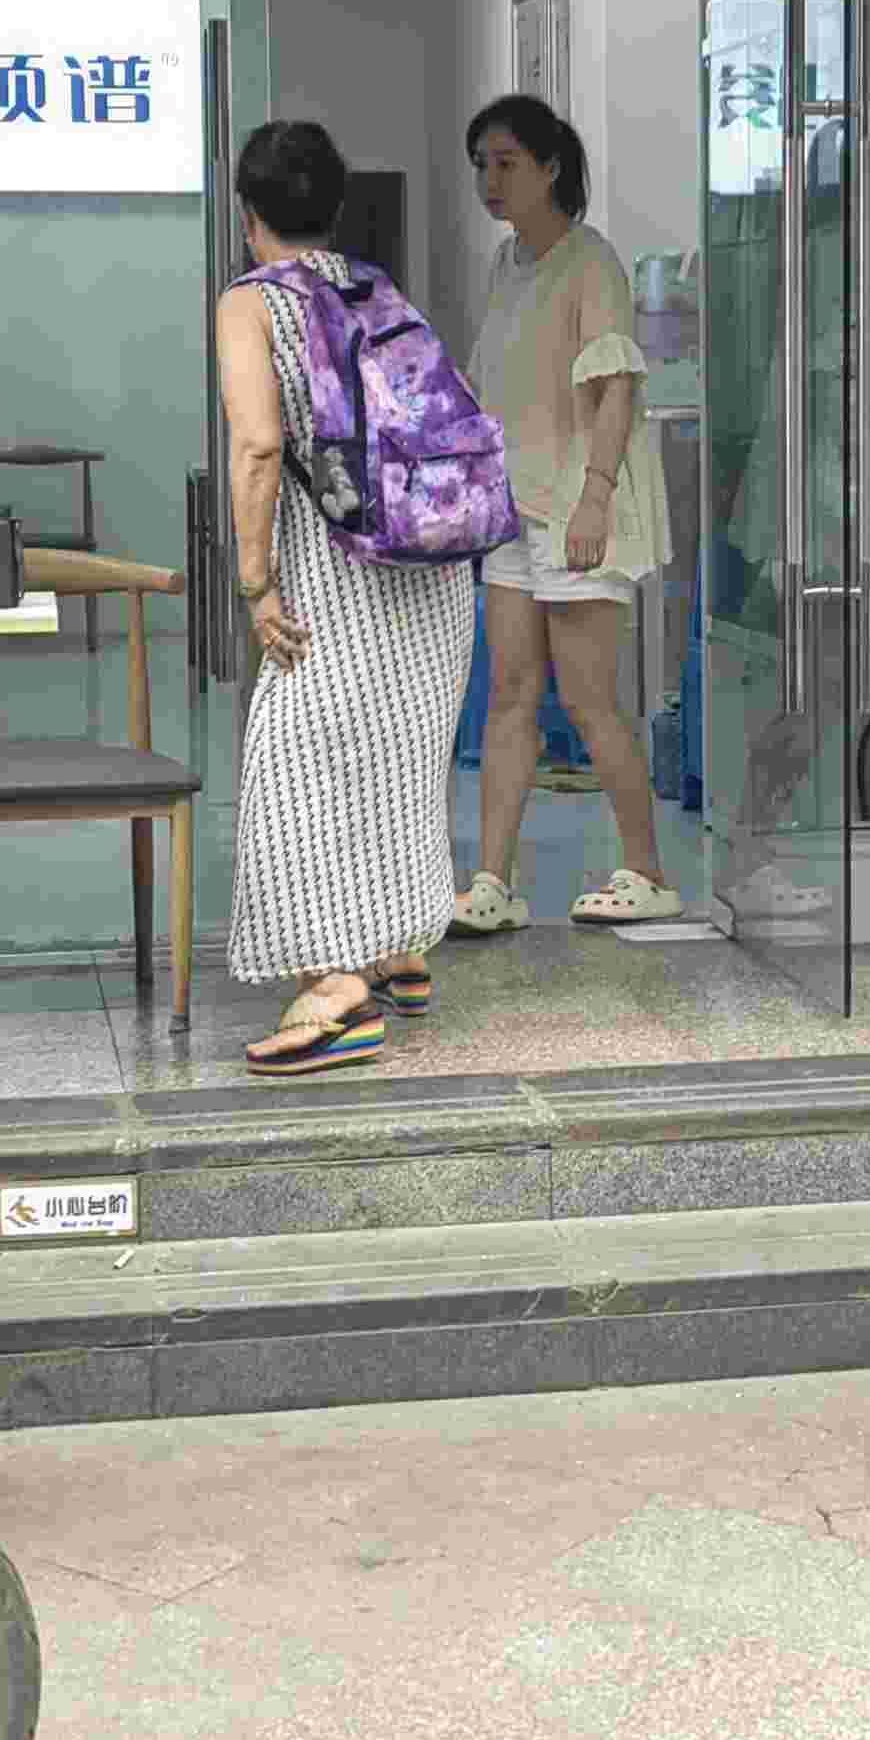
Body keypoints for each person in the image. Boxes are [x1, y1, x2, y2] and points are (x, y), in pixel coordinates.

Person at [217, 118, 473, 1078]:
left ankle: (336, 989)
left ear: (250, 216)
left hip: (335, 572)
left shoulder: (252, 301)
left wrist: (256, 584)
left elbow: (258, 445)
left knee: (294, 767)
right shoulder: (378, 289)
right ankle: (399, 950)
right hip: (432, 567)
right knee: (396, 758)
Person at [445, 93, 681, 932]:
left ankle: (647, 873)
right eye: (482, 164)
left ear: (550, 168)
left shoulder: (591, 262)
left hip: (582, 504)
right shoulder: (505, 266)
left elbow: (616, 389)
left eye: (506, 163)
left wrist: (595, 499)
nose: (490, 179)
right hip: (515, 506)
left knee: (588, 701)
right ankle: (491, 883)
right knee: (510, 694)